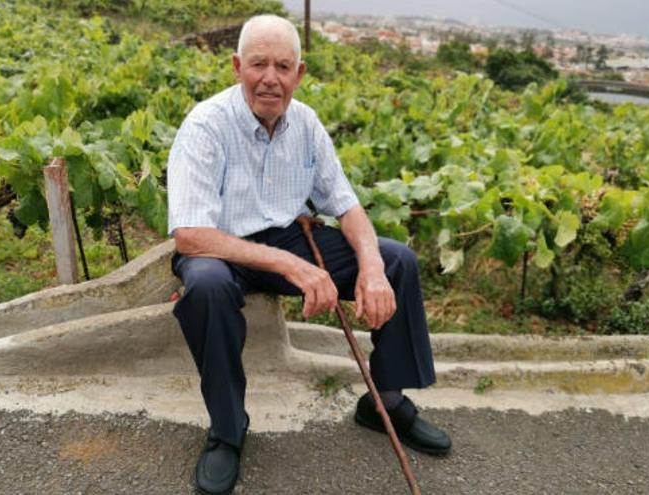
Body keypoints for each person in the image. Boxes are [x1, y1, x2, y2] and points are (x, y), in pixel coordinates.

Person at [166, 14, 451, 494]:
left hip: (290, 239)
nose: (270, 78)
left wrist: (373, 270)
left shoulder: (307, 123)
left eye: (283, 66)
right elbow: (191, 237)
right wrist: (290, 265)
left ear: (299, 73)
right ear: (237, 66)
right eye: (259, 64)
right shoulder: (206, 126)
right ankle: (227, 429)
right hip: (223, 249)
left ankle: (384, 401)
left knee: (396, 258)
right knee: (207, 288)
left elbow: (347, 206)